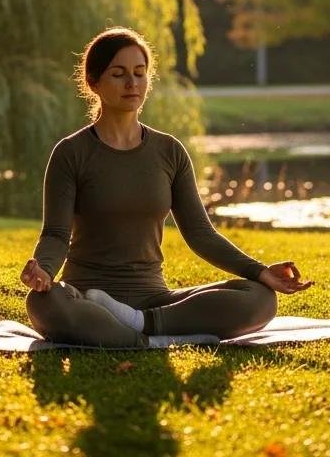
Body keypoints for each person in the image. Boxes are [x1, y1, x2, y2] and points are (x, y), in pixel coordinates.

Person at [21, 27, 313, 348]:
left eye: (140, 73)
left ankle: (140, 327)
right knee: (43, 303)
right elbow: (55, 235)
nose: (132, 83)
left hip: (154, 298)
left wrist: (259, 272)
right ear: (94, 82)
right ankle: (151, 341)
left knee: (259, 298)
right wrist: (44, 271)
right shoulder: (71, 152)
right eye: (118, 74)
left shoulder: (169, 151)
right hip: (88, 296)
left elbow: (201, 234)